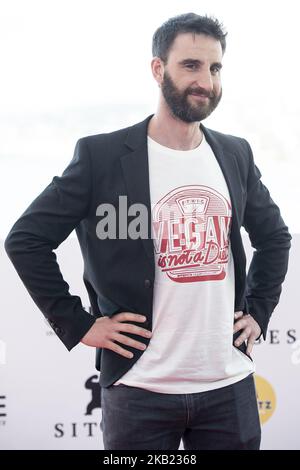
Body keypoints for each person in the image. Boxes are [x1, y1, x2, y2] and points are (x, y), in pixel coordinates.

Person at [4, 13, 291, 450]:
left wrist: (259, 309)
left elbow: (275, 238)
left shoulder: (235, 153)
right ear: (159, 70)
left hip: (228, 387)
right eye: (191, 65)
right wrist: (79, 324)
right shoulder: (101, 156)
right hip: (139, 389)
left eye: (215, 69)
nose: (206, 81)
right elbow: (25, 239)